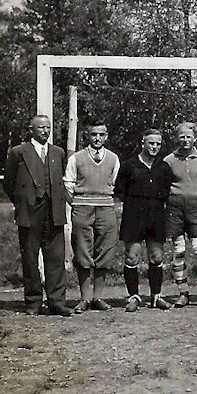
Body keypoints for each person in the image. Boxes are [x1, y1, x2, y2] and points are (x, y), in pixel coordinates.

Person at [3, 115, 73, 316]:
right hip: (30, 211)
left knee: (56, 257)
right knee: (31, 258)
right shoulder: (18, 152)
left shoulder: (57, 152)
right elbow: (8, 183)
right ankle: (33, 302)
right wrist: (23, 202)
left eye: (48, 127)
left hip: (54, 211)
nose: (45, 131)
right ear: (31, 129)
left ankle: (57, 302)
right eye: (41, 127)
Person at [114, 128, 174, 312]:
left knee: (156, 256)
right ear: (143, 143)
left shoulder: (163, 167)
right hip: (133, 216)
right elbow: (119, 191)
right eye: (151, 143)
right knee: (132, 257)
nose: (154, 147)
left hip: (156, 216)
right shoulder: (129, 165)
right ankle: (133, 296)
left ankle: (156, 296)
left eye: (157, 144)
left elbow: (167, 191)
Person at [64, 119, 120, 314]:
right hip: (82, 208)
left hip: (106, 208)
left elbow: (114, 183)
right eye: (93, 134)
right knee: (82, 251)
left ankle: (98, 297)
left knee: (105, 250)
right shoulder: (76, 158)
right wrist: (78, 204)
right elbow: (68, 184)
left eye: (101, 134)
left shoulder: (113, 158)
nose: (97, 138)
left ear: (106, 136)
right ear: (86, 136)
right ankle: (84, 298)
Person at [164, 122, 197, 309]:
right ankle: (183, 293)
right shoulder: (169, 160)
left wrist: (195, 197)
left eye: (189, 137)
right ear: (176, 138)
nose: (185, 140)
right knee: (178, 252)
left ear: (195, 138)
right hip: (174, 208)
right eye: (182, 137)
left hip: (196, 207)